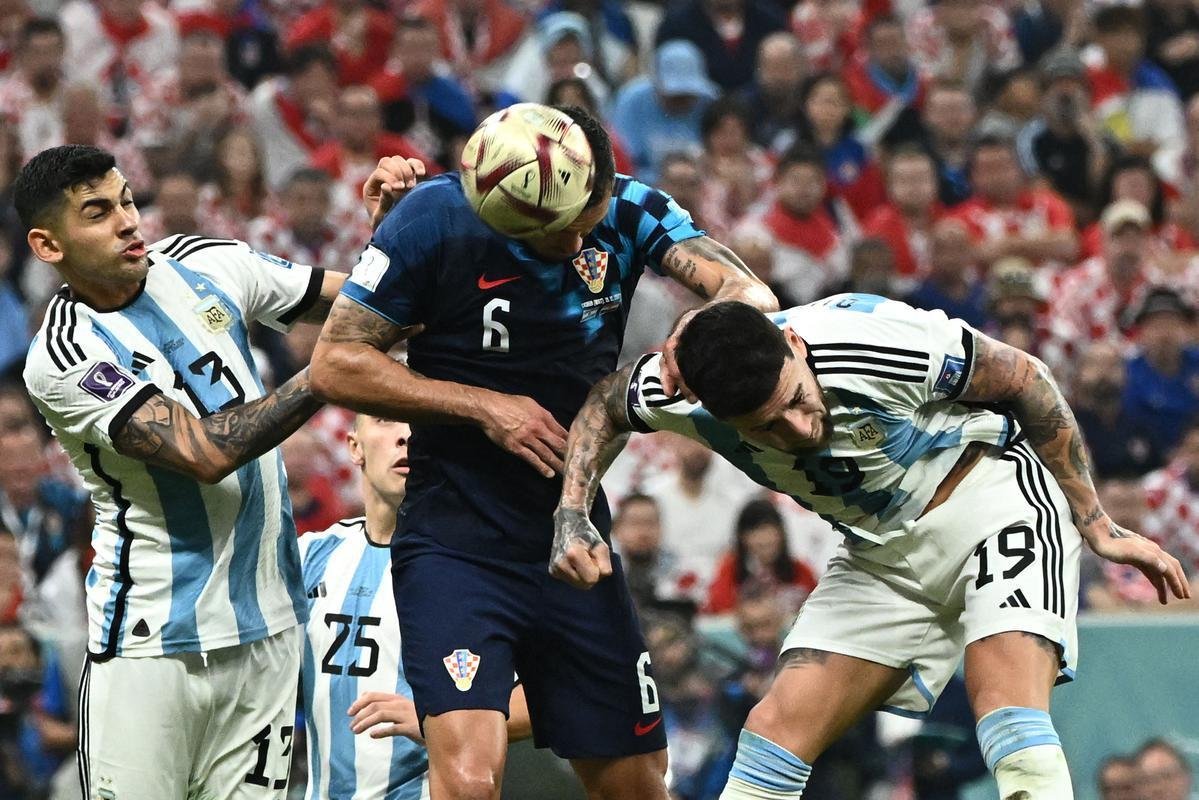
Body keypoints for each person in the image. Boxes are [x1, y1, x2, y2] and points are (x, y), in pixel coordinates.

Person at [308, 103, 777, 800]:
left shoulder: (631, 209)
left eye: (574, 227)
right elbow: (335, 363)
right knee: (467, 783)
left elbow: (750, 293)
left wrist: (694, 329)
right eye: (539, 232)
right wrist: (481, 406)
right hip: (455, 542)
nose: (563, 245)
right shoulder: (433, 217)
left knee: (639, 787)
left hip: (570, 540)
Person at [554, 296, 1190, 799]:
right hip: (879, 555)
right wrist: (573, 512)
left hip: (992, 502)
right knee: (770, 738)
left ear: (795, 345)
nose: (799, 429)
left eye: (795, 400)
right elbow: (604, 403)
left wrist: (1095, 520)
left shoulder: (879, 342)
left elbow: (1026, 376)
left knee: (1010, 722)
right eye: (767, 427)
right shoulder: (677, 393)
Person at [13, 143, 422, 799]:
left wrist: (393, 238)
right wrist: (323, 375)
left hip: (268, 636)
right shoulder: (65, 353)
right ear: (47, 244)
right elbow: (204, 452)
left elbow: (376, 314)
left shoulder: (205, 262)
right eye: (96, 212)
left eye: (125, 200)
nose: (126, 221)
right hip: (151, 650)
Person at [300, 414, 530, 799]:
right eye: (386, 420)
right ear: (354, 446)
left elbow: (551, 696)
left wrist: (439, 717)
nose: (406, 435)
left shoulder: (478, 568)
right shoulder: (312, 555)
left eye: (420, 424)